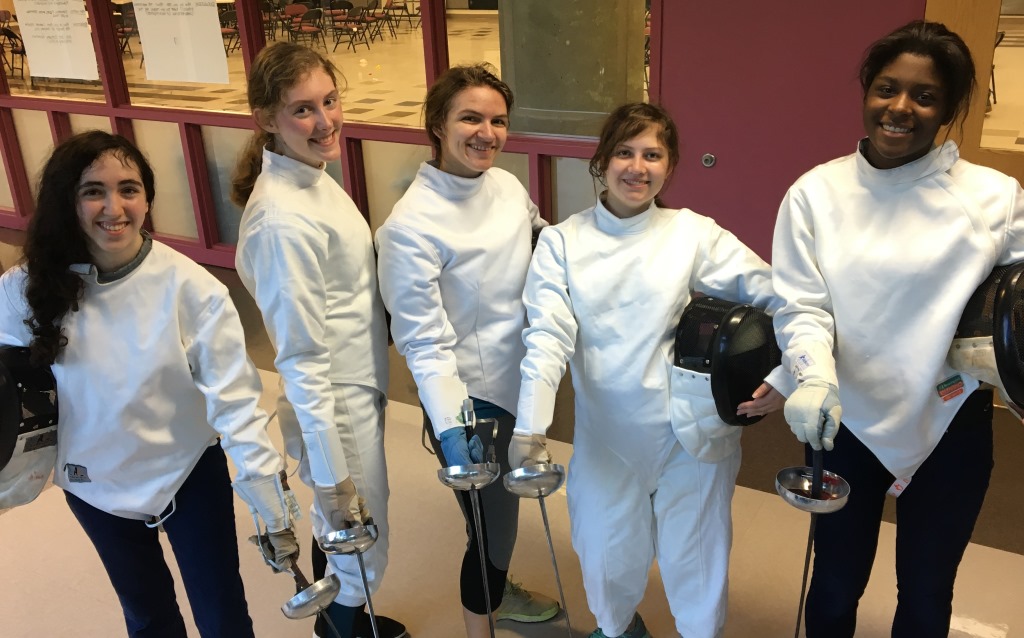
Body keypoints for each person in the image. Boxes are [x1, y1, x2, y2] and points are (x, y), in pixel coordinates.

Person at [772, 20, 1024, 637]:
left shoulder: (994, 197)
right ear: (866, 91)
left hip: (950, 420)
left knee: (928, 592)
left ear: (947, 110)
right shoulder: (815, 193)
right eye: (888, 88)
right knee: (834, 585)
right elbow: (802, 305)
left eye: (925, 95)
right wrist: (810, 377)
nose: (900, 108)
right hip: (845, 416)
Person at [511, 102, 790, 638]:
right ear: (601, 161)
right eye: (624, 152)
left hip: (692, 435)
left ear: (670, 165)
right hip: (608, 437)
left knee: (698, 564)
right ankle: (618, 631)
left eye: (652, 155)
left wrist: (788, 377)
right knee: (606, 558)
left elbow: (781, 295)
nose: (637, 167)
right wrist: (530, 425)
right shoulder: (563, 242)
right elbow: (546, 335)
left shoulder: (691, 233)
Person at [0, 130, 295, 637]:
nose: (114, 206)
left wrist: (268, 494)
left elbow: (236, 402)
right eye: (93, 190)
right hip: (95, 483)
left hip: (186, 473)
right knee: (148, 618)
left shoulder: (190, 287)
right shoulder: (24, 290)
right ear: (67, 199)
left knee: (222, 616)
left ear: (147, 198)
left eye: (129, 189)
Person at [375, 63, 559, 637]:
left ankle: (499, 591)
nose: (487, 133)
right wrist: (454, 429)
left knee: (497, 521)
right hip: (471, 399)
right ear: (437, 124)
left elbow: (539, 237)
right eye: (470, 118)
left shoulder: (504, 185)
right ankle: (483, 620)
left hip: (520, 376)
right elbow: (423, 342)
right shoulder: (410, 227)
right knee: (494, 533)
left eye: (498, 121)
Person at [231, 42, 404, 638]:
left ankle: (345, 613)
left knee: (348, 537)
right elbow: (300, 358)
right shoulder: (283, 220)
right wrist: (332, 479)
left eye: (330, 101)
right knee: (360, 535)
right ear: (266, 120)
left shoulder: (313, 178)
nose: (325, 121)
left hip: (356, 385)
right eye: (303, 109)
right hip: (335, 401)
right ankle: (347, 624)